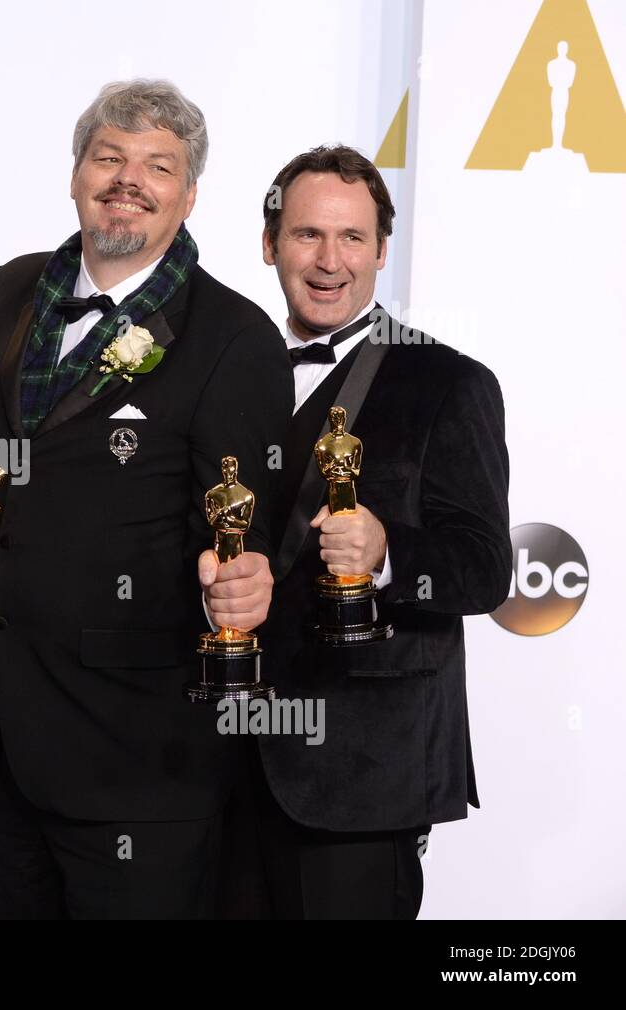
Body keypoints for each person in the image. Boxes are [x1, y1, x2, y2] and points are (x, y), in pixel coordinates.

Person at [0, 79, 293, 918]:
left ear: (190, 195)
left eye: (157, 166)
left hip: (141, 756)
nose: (128, 178)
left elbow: (242, 529)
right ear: (75, 174)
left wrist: (245, 585)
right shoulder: (10, 291)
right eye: (109, 157)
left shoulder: (234, 336)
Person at [241, 143, 511, 918]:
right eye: (307, 236)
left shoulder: (448, 382)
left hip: (361, 773)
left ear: (383, 250)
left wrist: (389, 552)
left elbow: (486, 568)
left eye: (352, 238)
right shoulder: (232, 373)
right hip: (217, 763)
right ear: (270, 244)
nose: (331, 261)